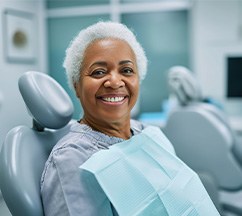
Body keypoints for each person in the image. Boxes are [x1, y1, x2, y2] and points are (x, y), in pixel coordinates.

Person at [40, 21, 220, 216]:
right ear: (76, 85)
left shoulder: (147, 133)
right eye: (99, 72)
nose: (115, 82)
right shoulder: (72, 159)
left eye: (126, 70)